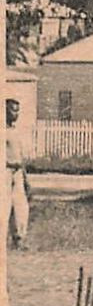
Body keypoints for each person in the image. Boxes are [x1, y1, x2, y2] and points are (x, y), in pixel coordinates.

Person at [6, 99, 30, 251]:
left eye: (18, 110)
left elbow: (20, 156)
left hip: (18, 171)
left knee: (21, 206)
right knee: (4, 206)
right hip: (5, 171)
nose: (16, 114)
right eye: (13, 110)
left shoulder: (16, 131)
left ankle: (19, 239)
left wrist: (26, 178)